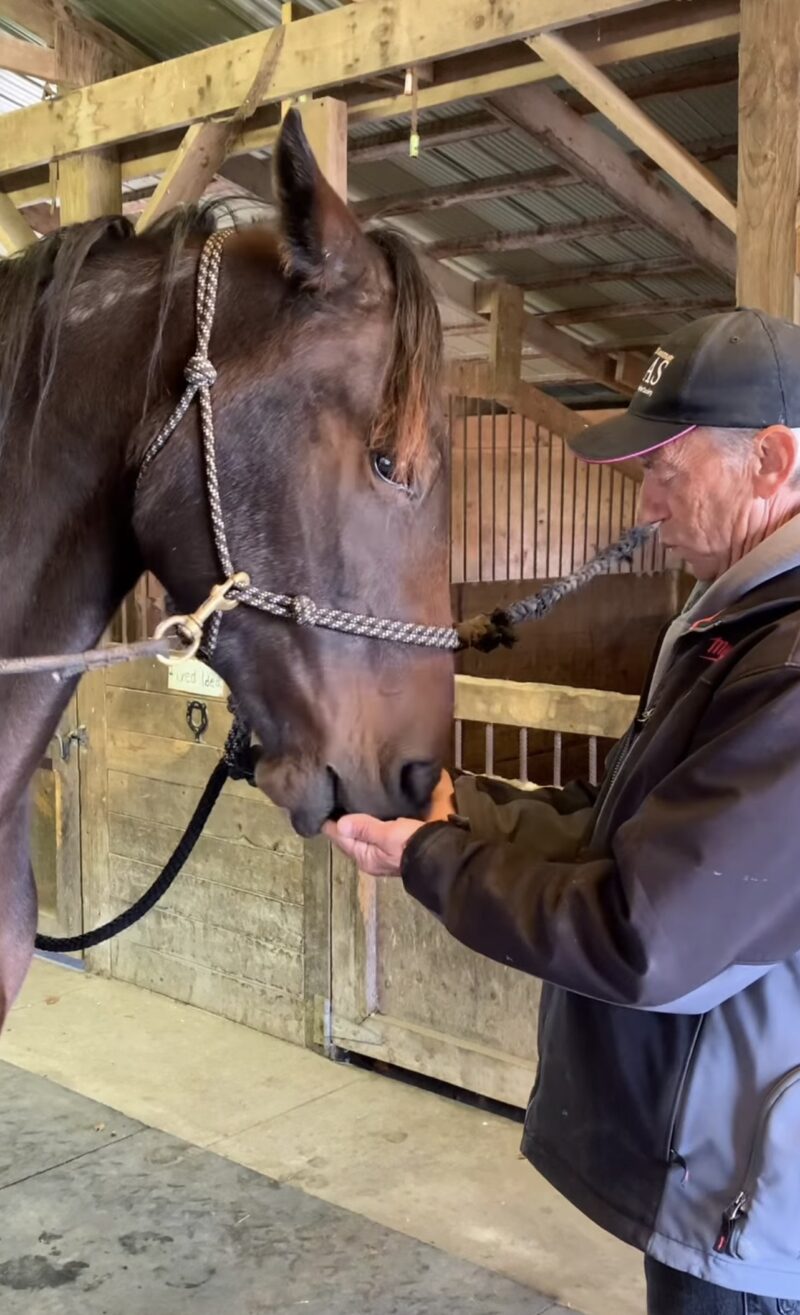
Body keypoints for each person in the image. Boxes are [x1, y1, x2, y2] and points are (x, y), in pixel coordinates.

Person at [325, 307, 800, 1315]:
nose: (644, 499)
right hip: (717, 1163)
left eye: (665, 469)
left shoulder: (787, 661)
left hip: (756, 1199)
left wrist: (430, 862)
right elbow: (624, 825)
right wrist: (466, 811)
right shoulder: (730, 618)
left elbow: (644, 936)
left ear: (769, 460)